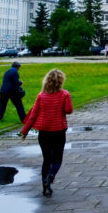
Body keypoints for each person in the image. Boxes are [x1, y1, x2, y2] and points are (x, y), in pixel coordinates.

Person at [20, 68, 73, 197]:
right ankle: (50, 177)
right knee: (57, 159)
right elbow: (68, 110)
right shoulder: (65, 94)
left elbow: (33, 115)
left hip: (44, 132)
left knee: (46, 159)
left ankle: (45, 186)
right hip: (59, 131)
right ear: (61, 81)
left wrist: (25, 131)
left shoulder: (41, 95)